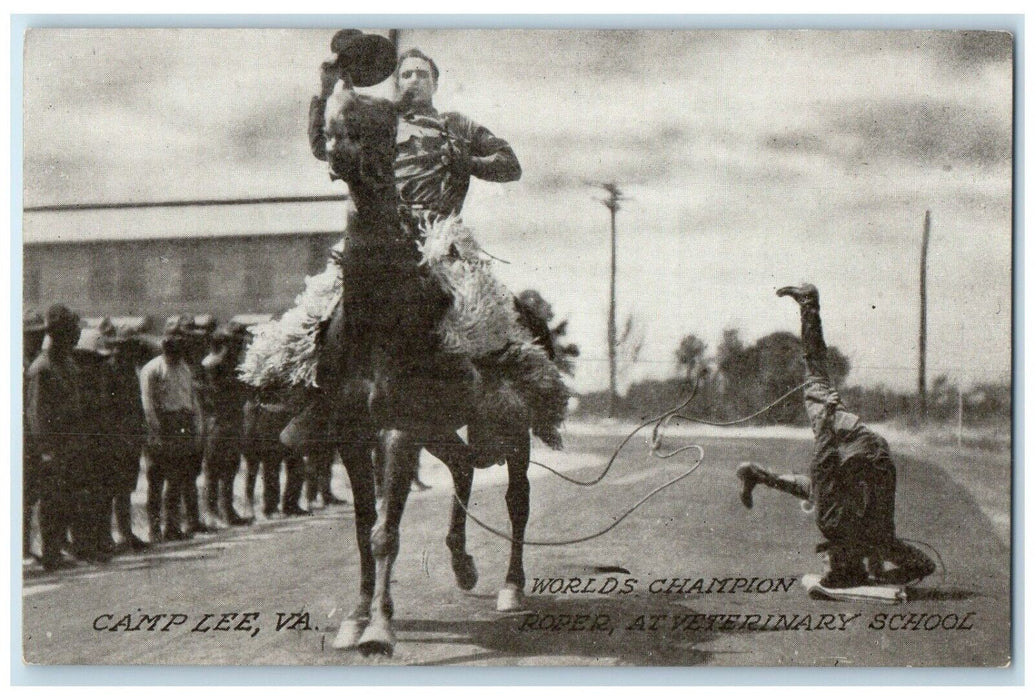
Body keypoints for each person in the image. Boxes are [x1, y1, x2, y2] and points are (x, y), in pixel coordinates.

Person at [736, 283, 936, 588]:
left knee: (826, 490)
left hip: (870, 456)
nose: (824, 559)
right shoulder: (850, 531)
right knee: (816, 376)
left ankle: (759, 475)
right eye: (830, 560)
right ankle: (809, 304)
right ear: (844, 556)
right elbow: (824, 461)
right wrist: (827, 419)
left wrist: (884, 576)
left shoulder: (873, 539)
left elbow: (925, 564)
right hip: (855, 447)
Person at [308, 38, 521, 224]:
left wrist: (468, 163)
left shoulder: (456, 124)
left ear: (435, 85)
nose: (414, 80)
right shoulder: (382, 123)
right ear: (398, 84)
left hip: (439, 237)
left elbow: (510, 164)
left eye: (422, 74)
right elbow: (322, 149)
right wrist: (324, 91)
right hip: (391, 235)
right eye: (407, 74)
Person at [25, 305, 84, 571]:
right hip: (53, 445)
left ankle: (58, 548)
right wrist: (45, 450)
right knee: (51, 500)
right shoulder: (42, 368)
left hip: (71, 442)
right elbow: (36, 413)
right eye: (70, 332)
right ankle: (50, 552)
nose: (75, 337)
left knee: (67, 497)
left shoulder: (68, 364)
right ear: (58, 335)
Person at [140, 318, 204, 542]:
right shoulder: (152, 369)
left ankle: (173, 526)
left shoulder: (184, 368)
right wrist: (155, 430)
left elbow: (191, 400)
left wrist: (196, 426)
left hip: (182, 426)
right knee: (156, 480)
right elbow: (148, 403)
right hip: (162, 426)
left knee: (177, 479)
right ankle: (154, 528)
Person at [200, 322, 252, 527]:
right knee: (214, 468)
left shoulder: (230, 365)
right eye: (235, 343)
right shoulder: (214, 363)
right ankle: (212, 512)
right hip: (217, 422)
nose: (239, 347)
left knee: (230, 467)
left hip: (231, 420)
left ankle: (227, 510)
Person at [107, 326, 151, 550]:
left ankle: (126, 533)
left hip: (131, 435)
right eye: (129, 347)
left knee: (126, 487)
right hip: (118, 437)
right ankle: (117, 535)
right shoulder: (112, 370)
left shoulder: (129, 370)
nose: (134, 351)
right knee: (115, 488)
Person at [23, 311, 47, 561]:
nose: (37, 339)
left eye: (40, 334)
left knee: (30, 494)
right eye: (32, 334)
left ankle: (26, 545)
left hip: (31, 435)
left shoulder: (36, 360)